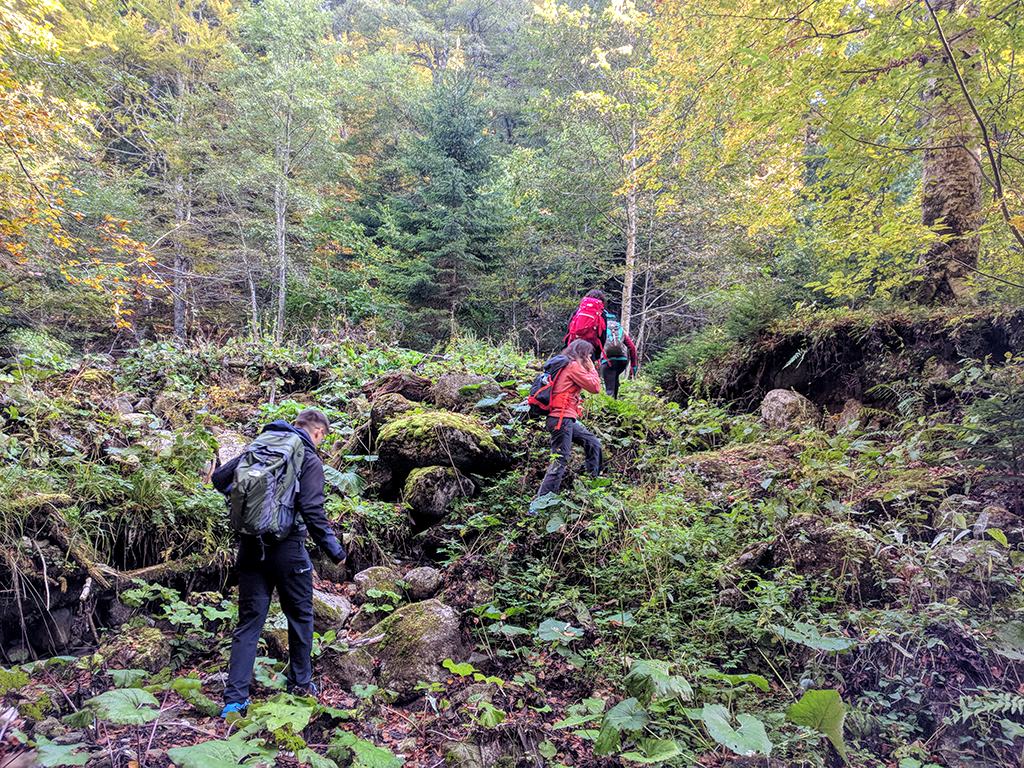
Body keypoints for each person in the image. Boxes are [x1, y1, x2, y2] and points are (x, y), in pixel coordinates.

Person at [212, 409, 346, 718]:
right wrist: (334, 551)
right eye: (322, 436)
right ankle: (300, 686)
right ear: (318, 432)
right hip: (287, 551)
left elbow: (220, 479)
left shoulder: (261, 447)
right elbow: (312, 509)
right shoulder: (308, 459)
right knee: (300, 616)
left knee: (248, 623)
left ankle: (234, 701)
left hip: (249, 548)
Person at [536, 339, 603, 497]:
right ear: (583, 354)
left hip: (563, 418)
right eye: (588, 355)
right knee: (559, 461)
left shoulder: (565, 364)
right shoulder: (572, 366)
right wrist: (592, 369)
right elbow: (595, 387)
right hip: (561, 419)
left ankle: (591, 487)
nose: (590, 358)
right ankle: (539, 506)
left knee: (593, 444)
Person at [600, 312, 638, 400]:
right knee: (614, 377)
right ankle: (616, 403)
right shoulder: (620, 330)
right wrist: (633, 365)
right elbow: (632, 347)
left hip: (608, 361)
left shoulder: (602, 329)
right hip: (622, 360)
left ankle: (610, 408)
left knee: (609, 387)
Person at [564, 290, 608, 362]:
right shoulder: (601, 314)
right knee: (586, 372)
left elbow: (569, 330)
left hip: (573, 346)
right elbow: (602, 338)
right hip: (590, 349)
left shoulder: (578, 311)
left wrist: (567, 347)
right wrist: (597, 356)